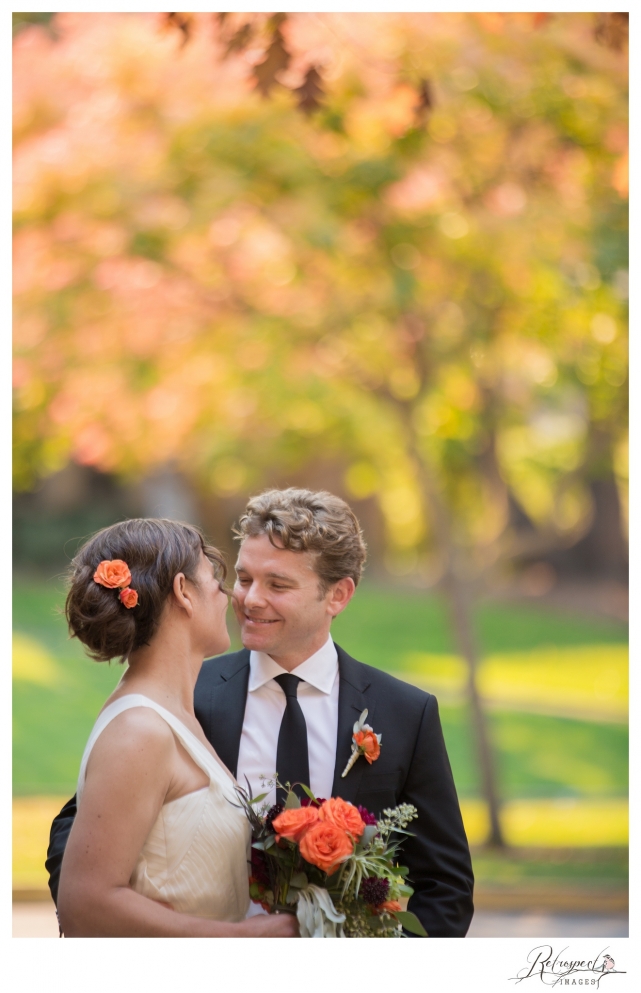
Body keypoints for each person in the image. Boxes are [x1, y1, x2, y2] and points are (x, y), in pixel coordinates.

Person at [48, 489, 474, 937]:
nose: (249, 600)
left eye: (278, 585)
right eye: (245, 578)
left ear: (338, 595)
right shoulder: (185, 695)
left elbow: (445, 885)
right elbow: (78, 842)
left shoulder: (405, 713)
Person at [52, 518, 298, 937]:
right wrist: (251, 937)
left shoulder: (180, 718)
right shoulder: (139, 731)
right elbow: (84, 904)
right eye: (216, 578)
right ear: (184, 592)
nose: (229, 597)